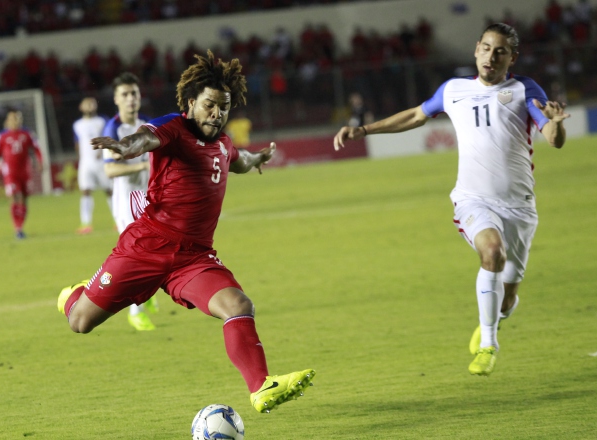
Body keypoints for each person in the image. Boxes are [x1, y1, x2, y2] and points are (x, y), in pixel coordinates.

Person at [57, 50, 315, 413]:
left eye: (224, 107)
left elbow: (239, 161)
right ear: (191, 103)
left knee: (239, 305)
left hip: (193, 257)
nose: (218, 113)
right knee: (79, 322)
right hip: (145, 246)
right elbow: (144, 140)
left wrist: (258, 159)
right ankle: (73, 294)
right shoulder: (173, 128)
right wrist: (124, 147)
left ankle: (261, 387)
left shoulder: (223, 144)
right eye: (210, 104)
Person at [333, 23, 569, 376]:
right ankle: (489, 344)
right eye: (486, 48)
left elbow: (553, 138)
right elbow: (416, 114)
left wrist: (557, 123)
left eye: (500, 51)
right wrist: (364, 129)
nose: (491, 56)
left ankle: (495, 318)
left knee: (506, 297)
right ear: (476, 50)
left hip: (519, 207)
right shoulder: (453, 90)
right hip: (473, 199)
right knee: (491, 252)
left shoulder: (523, 89)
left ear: (512, 58)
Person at [101, 72, 157, 331]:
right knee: (138, 255)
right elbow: (110, 171)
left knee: (157, 247)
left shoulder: (146, 124)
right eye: (125, 94)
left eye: (134, 93)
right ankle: (136, 311)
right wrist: (142, 165)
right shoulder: (112, 130)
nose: (131, 98)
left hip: (148, 196)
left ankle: (150, 291)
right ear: (116, 99)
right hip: (125, 201)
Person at [0, 108, 43, 239]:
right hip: (10, 172)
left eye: (16, 118)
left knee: (23, 199)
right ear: (7, 121)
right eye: (11, 118)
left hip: (25, 171)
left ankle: (21, 226)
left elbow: (37, 149)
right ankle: (17, 228)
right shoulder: (2, 136)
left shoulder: (27, 134)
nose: (14, 121)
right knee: (14, 197)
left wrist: (40, 162)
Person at [73, 97, 112, 235]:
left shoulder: (103, 121)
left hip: (102, 162)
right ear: (81, 107)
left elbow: (109, 137)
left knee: (110, 190)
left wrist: (103, 152)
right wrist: (80, 159)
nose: (89, 105)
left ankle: (118, 219)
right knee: (85, 191)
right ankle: (86, 223)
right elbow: (77, 143)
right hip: (85, 163)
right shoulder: (77, 124)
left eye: (92, 103)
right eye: (86, 103)